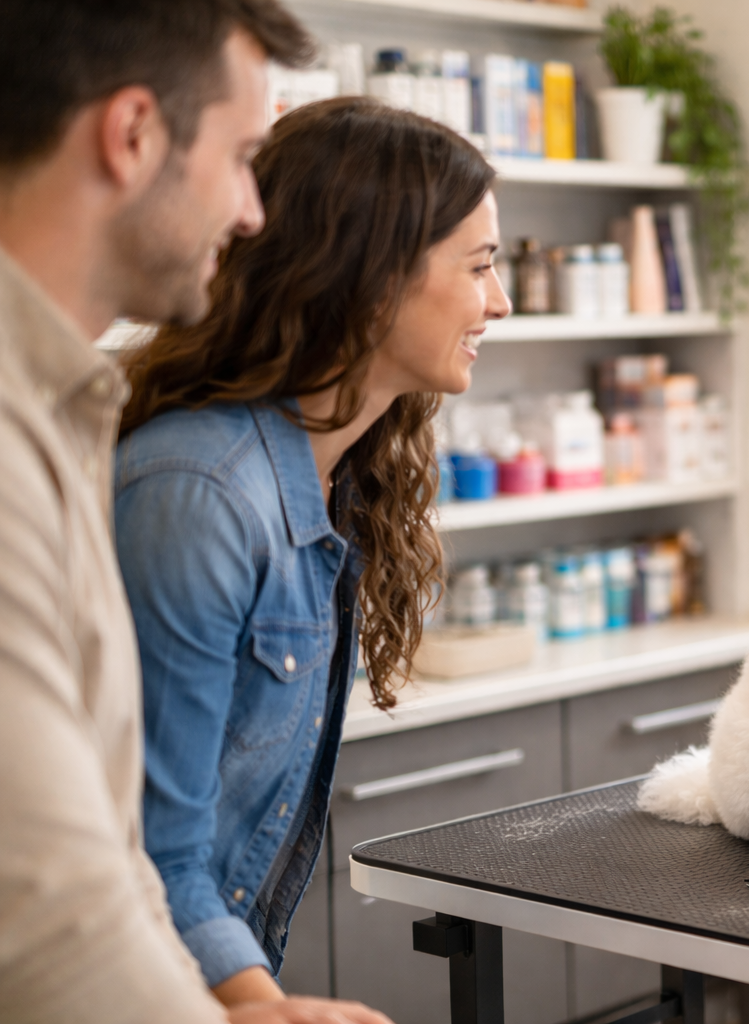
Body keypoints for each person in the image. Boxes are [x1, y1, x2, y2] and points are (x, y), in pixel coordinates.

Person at [0, 2, 386, 1021]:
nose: (255, 211)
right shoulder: (156, 474)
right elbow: (50, 919)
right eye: (244, 155)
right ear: (132, 135)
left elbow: (115, 855)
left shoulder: (57, 406)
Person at [114, 95, 508, 1006]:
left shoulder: (337, 474)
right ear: (370, 280)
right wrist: (260, 1004)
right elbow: (147, 850)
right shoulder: (199, 498)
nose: (501, 301)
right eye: (480, 267)